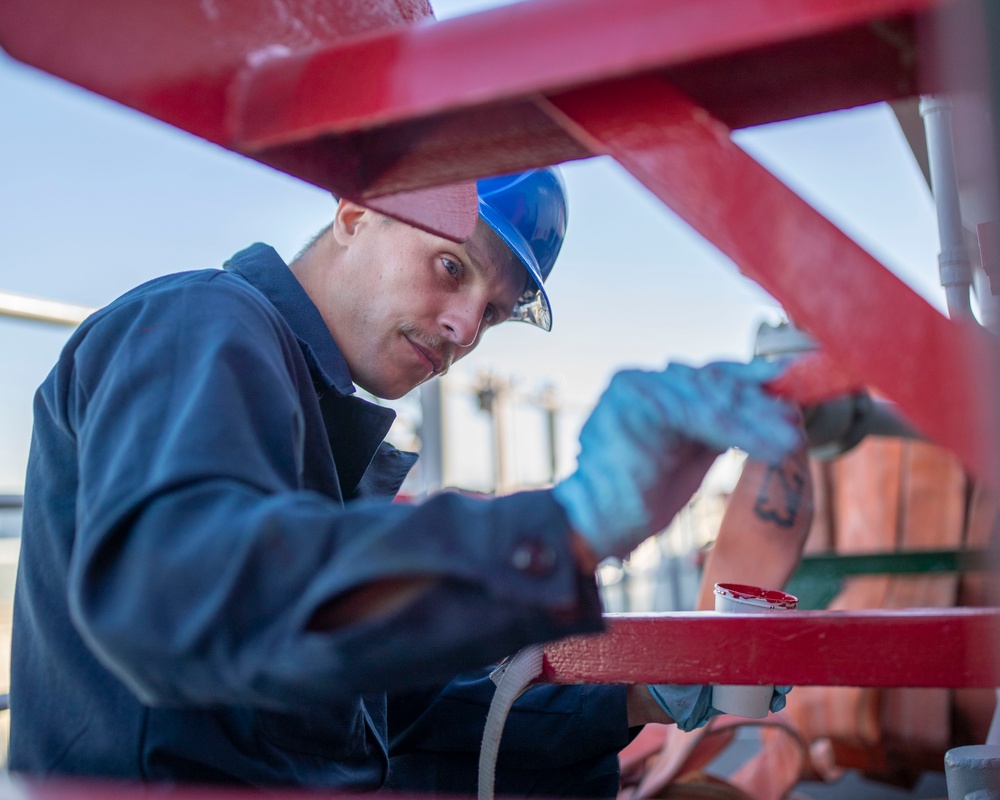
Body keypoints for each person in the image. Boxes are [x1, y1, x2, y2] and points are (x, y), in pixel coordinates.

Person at [8, 166, 804, 791]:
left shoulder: (301, 402)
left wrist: (637, 691)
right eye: (451, 266)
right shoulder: (202, 323)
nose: (463, 328)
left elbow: (386, 708)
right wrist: (568, 525)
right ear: (356, 210)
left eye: (493, 311)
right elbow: (190, 595)